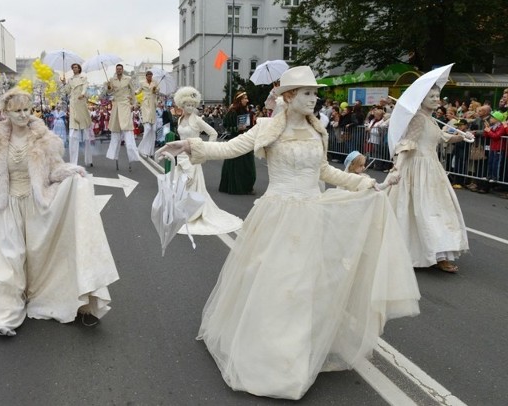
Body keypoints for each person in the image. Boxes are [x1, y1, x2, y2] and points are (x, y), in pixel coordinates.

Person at [157, 66, 419, 400]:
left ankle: (294, 356)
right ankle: (272, 359)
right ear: (289, 97)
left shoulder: (318, 131)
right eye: (308, 93)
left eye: (315, 93)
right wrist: (189, 146)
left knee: (306, 284)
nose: (314, 98)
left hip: (312, 214)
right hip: (277, 215)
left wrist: (365, 182)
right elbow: (229, 148)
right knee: (278, 284)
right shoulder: (267, 128)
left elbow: (324, 170)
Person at [0, 88, 118, 336]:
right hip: (7, 205)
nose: (23, 115)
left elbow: (53, 171)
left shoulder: (46, 140)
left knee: (36, 256)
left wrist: (69, 172)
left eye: (26, 110)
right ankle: (5, 317)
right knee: (7, 259)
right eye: (17, 110)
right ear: (6, 113)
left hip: (36, 204)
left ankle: (39, 296)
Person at [386, 85, 472, 273]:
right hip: (417, 168)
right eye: (431, 96)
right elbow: (408, 143)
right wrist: (398, 167)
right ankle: (428, 253)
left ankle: (439, 253)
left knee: (437, 211)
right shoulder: (417, 118)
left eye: (437, 95)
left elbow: (442, 138)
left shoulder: (431, 120)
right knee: (424, 212)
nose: (435, 98)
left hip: (432, 168)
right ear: (421, 99)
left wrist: (462, 137)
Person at [173, 86, 243, 235]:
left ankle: (192, 213)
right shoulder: (179, 119)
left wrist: (203, 149)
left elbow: (213, 133)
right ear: (182, 105)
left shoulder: (197, 120)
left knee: (193, 186)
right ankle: (181, 212)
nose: (190, 107)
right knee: (181, 185)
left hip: (193, 158)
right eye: (187, 105)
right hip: (181, 157)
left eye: (193, 105)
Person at [219, 91, 256, 195]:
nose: (247, 100)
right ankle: (237, 186)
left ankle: (247, 186)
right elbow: (226, 125)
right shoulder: (233, 111)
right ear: (240, 100)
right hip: (235, 139)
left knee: (248, 165)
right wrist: (237, 128)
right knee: (236, 163)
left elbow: (247, 125)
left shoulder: (245, 110)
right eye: (245, 98)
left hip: (245, 139)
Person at [106, 64, 139, 169]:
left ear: (122, 70)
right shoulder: (112, 79)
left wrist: (134, 104)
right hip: (116, 106)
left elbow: (133, 92)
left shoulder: (128, 79)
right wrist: (108, 87)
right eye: (117, 69)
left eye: (120, 69)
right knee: (115, 132)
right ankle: (114, 156)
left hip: (125, 105)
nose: (119, 70)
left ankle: (132, 157)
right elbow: (109, 92)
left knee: (127, 130)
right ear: (116, 70)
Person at [62, 63, 93, 167]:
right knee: (73, 135)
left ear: (79, 68)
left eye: (76, 67)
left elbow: (85, 87)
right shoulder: (70, 80)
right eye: (73, 67)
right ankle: (73, 163)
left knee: (86, 135)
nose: (74, 69)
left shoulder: (83, 77)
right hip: (73, 106)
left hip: (82, 105)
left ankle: (88, 160)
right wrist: (64, 83)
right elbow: (67, 91)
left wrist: (83, 94)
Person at [137, 71, 158, 157]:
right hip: (145, 103)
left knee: (153, 130)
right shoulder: (142, 83)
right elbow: (138, 91)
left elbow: (157, 91)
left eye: (151, 75)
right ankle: (143, 149)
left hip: (152, 104)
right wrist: (134, 94)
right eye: (148, 75)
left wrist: (155, 90)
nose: (149, 77)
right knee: (148, 128)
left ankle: (151, 151)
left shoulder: (155, 83)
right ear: (146, 76)